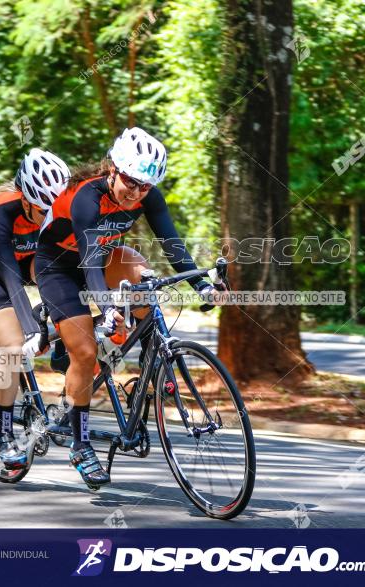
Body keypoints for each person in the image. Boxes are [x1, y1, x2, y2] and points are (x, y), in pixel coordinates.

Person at [36, 127, 216, 489]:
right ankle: (80, 444)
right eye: (131, 182)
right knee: (85, 353)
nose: (136, 194)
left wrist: (203, 285)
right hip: (60, 267)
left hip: (102, 260)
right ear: (113, 169)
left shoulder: (147, 196)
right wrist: (106, 311)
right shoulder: (88, 196)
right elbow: (87, 263)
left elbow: (171, 242)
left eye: (145, 187)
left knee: (146, 283)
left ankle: (153, 370)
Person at [0, 148, 70, 469]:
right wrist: (31, 329)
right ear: (25, 200)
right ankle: (4, 433)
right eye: (42, 211)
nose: (49, 218)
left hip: (26, 262)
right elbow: (9, 277)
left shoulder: (56, 210)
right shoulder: (0, 212)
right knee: (11, 346)